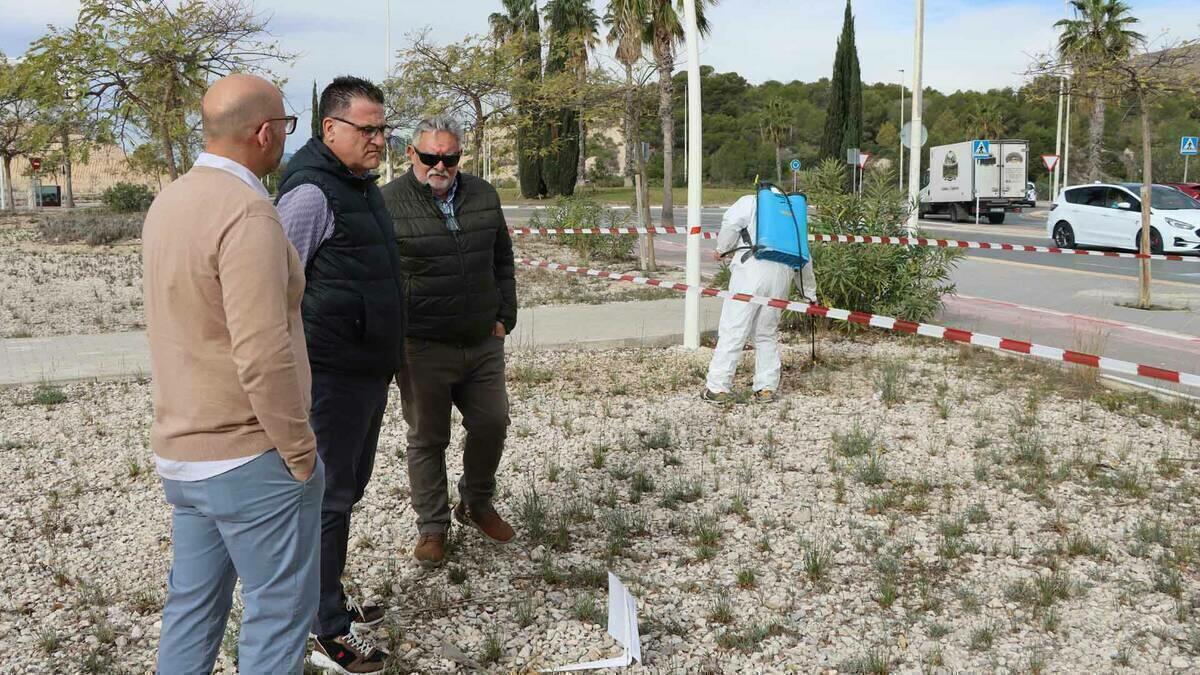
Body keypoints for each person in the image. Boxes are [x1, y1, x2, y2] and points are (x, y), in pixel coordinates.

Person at [143, 74, 322, 674]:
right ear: (265, 133)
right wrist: (298, 448)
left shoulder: (170, 201)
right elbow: (263, 350)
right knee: (276, 619)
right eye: (287, 127)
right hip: (249, 454)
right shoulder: (248, 212)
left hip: (184, 452)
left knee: (191, 611)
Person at [275, 75, 403, 671]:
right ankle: (324, 627)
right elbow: (275, 290)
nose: (379, 139)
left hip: (366, 371)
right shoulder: (311, 195)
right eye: (368, 129)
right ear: (331, 129)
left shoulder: (360, 186)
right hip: (330, 376)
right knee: (326, 500)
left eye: (383, 128)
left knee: (344, 494)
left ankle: (330, 601)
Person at [382, 115, 517, 568]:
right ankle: (433, 527)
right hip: (421, 346)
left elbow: (502, 257)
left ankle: (475, 503)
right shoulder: (387, 203)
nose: (439, 165)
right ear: (410, 155)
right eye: (429, 157)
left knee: (493, 423)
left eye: (450, 157)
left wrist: (504, 316)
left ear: (461, 156)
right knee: (427, 438)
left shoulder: (483, 194)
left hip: (482, 341)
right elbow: (378, 276)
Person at [702, 192, 818, 404]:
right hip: (782, 277)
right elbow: (804, 257)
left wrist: (722, 249)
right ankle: (766, 388)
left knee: (734, 329)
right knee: (766, 333)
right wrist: (810, 294)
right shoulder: (792, 214)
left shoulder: (750, 202)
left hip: (751, 271)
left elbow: (730, 223)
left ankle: (717, 387)